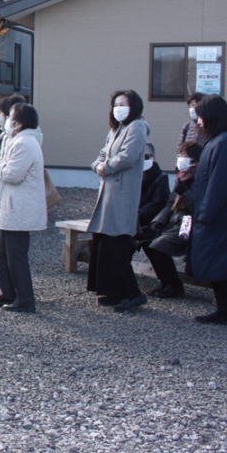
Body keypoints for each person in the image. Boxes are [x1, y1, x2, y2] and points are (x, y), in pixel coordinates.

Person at [86, 89, 149, 312]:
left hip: (122, 195)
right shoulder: (116, 129)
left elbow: (128, 155)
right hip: (108, 194)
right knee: (105, 244)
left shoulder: (137, 126)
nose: (118, 108)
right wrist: (98, 166)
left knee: (117, 246)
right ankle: (112, 292)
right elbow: (102, 154)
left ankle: (132, 294)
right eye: (115, 104)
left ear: (134, 106)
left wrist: (106, 167)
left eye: (123, 104)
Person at [0, 103, 46, 313]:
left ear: (18, 123)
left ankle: (25, 299)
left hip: (19, 209)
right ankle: (9, 292)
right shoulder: (21, 141)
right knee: (2, 251)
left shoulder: (24, 143)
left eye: (10, 117)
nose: (7, 121)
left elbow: (13, 174)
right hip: (14, 207)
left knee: (15, 255)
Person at [189, 95, 227, 326]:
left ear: (211, 116)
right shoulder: (219, 140)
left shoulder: (226, 142)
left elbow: (219, 184)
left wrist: (206, 214)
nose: (198, 121)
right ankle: (223, 310)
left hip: (219, 216)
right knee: (212, 263)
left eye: (200, 116)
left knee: (215, 263)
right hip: (212, 214)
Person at [138, 140, 203, 299]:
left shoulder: (201, 178)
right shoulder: (181, 177)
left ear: (195, 160)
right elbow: (170, 203)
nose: (180, 159)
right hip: (175, 221)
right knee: (147, 240)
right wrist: (158, 222)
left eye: (184, 156)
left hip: (190, 224)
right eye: (179, 155)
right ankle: (165, 281)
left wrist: (184, 192)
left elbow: (198, 206)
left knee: (160, 244)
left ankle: (174, 285)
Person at [138, 142, 170, 228]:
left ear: (153, 159)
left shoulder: (161, 177)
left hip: (150, 221)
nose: (142, 160)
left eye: (146, 157)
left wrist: (138, 214)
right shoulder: (131, 176)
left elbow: (158, 203)